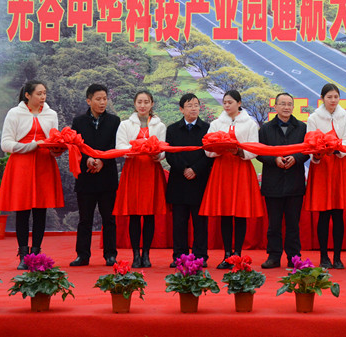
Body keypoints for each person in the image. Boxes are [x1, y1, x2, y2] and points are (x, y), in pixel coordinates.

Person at [0, 80, 64, 270]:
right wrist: (31, 146)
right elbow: (6, 144)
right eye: (39, 94)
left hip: (44, 164)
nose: (43, 97)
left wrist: (57, 150)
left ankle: (36, 254)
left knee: (41, 210)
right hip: (21, 164)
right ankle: (23, 255)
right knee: (22, 210)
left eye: (44, 93)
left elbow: (53, 141)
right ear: (27, 95)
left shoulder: (51, 114)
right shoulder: (14, 113)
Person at [200, 90, 265, 269]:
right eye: (225, 102)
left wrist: (238, 151)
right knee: (226, 213)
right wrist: (219, 149)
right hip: (222, 169)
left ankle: (238, 254)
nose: (227, 105)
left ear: (239, 103)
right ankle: (227, 254)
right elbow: (207, 149)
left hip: (241, 169)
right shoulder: (216, 123)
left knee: (240, 213)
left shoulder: (249, 124)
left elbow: (254, 149)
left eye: (230, 102)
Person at [113, 90, 168, 268]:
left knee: (150, 215)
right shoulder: (125, 124)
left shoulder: (160, 126)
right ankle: (136, 254)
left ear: (152, 104)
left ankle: (146, 254)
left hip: (151, 170)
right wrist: (136, 148)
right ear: (135, 104)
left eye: (146, 102)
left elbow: (163, 148)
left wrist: (157, 155)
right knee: (134, 215)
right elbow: (120, 146)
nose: (143, 105)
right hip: (133, 170)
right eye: (139, 102)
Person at [70, 84, 121, 267]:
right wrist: (88, 160)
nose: (102, 102)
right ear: (88, 100)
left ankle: (110, 255)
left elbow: (117, 146)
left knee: (109, 219)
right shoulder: (79, 122)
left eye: (105, 99)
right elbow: (75, 147)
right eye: (98, 99)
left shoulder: (114, 121)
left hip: (107, 177)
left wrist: (102, 161)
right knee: (85, 219)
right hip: (86, 177)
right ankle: (82, 255)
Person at [256, 93, 309, 269]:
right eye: (283, 104)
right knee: (274, 224)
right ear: (276, 107)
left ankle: (294, 257)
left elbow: (307, 150)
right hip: (273, 182)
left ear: (293, 107)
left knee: (293, 224)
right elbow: (259, 152)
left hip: (295, 183)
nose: (286, 107)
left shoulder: (302, 127)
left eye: (289, 104)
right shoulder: (266, 128)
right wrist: (274, 159)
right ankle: (273, 256)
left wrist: (296, 158)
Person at [305, 83, 346, 269]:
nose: (333, 100)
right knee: (324, 214)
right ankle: (324, 256)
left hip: (339, 167)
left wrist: (336, 148)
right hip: (322, 168)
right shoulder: (314, 118)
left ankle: (338, 257)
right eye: (329, 97)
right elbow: (310, 142)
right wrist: (320, 151)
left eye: (336, 97)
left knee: (338, 214)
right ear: (322, 98)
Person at [165, 93, 212, 268]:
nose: (194, 108)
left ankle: (200, 256)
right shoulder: (172, 129)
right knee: (179, 222)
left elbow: (210, 154)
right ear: (181, 109)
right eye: (189, 105)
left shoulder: (207, 128)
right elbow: (170, 154)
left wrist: (195, 169)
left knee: (200, 223)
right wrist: (184, 168)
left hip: (200, 180)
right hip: (179, 181)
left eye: (196, 105)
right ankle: (179, 256)